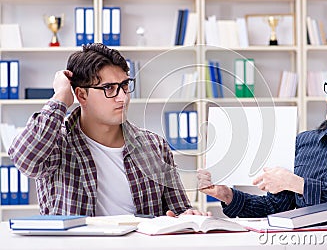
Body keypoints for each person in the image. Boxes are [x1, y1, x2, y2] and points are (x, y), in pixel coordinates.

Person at [8, 43, 203, 217]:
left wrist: (188, 217)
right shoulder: (56, 144)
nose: (123, 98)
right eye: (109, 88)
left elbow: (179, 210)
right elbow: (25, 160)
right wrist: (60, 97)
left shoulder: (155, 146)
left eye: (125, 85)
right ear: (81, 95)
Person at [198, 60, 327, 217]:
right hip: (303, 241)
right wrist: (227, 195)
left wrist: (298, 184)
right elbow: (276, 207)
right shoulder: (304, 142)